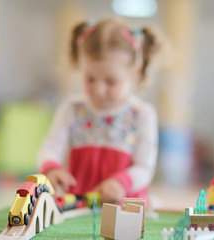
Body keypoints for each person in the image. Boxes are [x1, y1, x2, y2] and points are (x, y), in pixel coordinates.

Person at [37, 18, 162, 203]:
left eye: (110, 81)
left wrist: (121, 183)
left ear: (134, 73)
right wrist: (52, 167)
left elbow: (145, 167)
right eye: (90, 79)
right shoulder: (72, 108)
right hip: (80, 206)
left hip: (126, 209)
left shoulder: (143, 114)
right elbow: (51, 146)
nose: (98, 90)